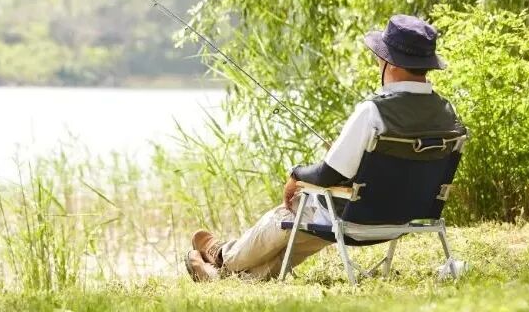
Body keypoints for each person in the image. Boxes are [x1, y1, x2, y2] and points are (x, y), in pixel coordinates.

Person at [184, 14, 465, 281]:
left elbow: (327, 175)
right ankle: (229, 277)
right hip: (407, 220)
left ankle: (222, 256)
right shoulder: (447, 112)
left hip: (357, 222)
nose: (377, 61)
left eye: (380, 57)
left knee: (291, 212)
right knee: (303, 228)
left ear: (390, 64)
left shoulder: (373, 111)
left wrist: (296, 174)